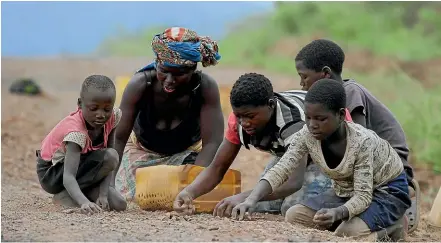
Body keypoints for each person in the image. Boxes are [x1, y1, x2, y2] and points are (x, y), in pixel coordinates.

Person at [232, 79, 411, 241]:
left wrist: (338, 212)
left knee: (348, 234)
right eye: (308, 118)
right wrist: (251, 199)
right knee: (295, 216)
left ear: (341, 115)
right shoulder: (308, 134)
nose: (312, 125)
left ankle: (394, 227)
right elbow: (283, 167)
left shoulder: (361, 142)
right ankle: (358, 221)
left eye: (320, 119)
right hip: (347, 190)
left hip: (386, 191)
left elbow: (363, 196)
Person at [173, 73, 352, 216]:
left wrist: (246, 196)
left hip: (331, 152)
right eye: (239, 116)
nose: (244, 123)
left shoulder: (292, 123)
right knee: (253, 203)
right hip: (292, 153)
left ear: (271, 105)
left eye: (250, 116)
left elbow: (293, 182)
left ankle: (352, 200)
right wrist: (189, 193)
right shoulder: (238, 121)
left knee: (292, 207)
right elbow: (217, 167)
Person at [294, 39, 420, 232]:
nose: (302, 85)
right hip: (355, 177)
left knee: (347, 229)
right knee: (297, 213)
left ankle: (394, 216)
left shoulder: (350, 93)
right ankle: (356, 218)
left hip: (385, 174)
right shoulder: (329, 103)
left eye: (304, 77)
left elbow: (355, 151)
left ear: (325, 74)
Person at [112, 27, 224, 200]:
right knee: (135, 196)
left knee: (204, 192)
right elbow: (118, 138)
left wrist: (194, 188)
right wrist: (108, 185)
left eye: (179, 74)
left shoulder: (204, 88)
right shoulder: (141, 85)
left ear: (192, 69)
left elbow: (212, 144)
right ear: (157, 63)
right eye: (164, 71)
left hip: (186, 156)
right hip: (141, 154)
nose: (170, 81)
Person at [36, 75, 127, 214]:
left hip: (81, 168)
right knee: (111, 155)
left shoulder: (112, 117)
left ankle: (78, 193)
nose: (101, 115)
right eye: (94, 108)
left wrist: (103, 194)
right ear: (80, 104)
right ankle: (65, 195)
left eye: (106, 109)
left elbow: (109, 163)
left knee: (119, 204)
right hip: (53, 174)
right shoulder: (76, 133)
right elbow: (68, 176)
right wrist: (84, 202)